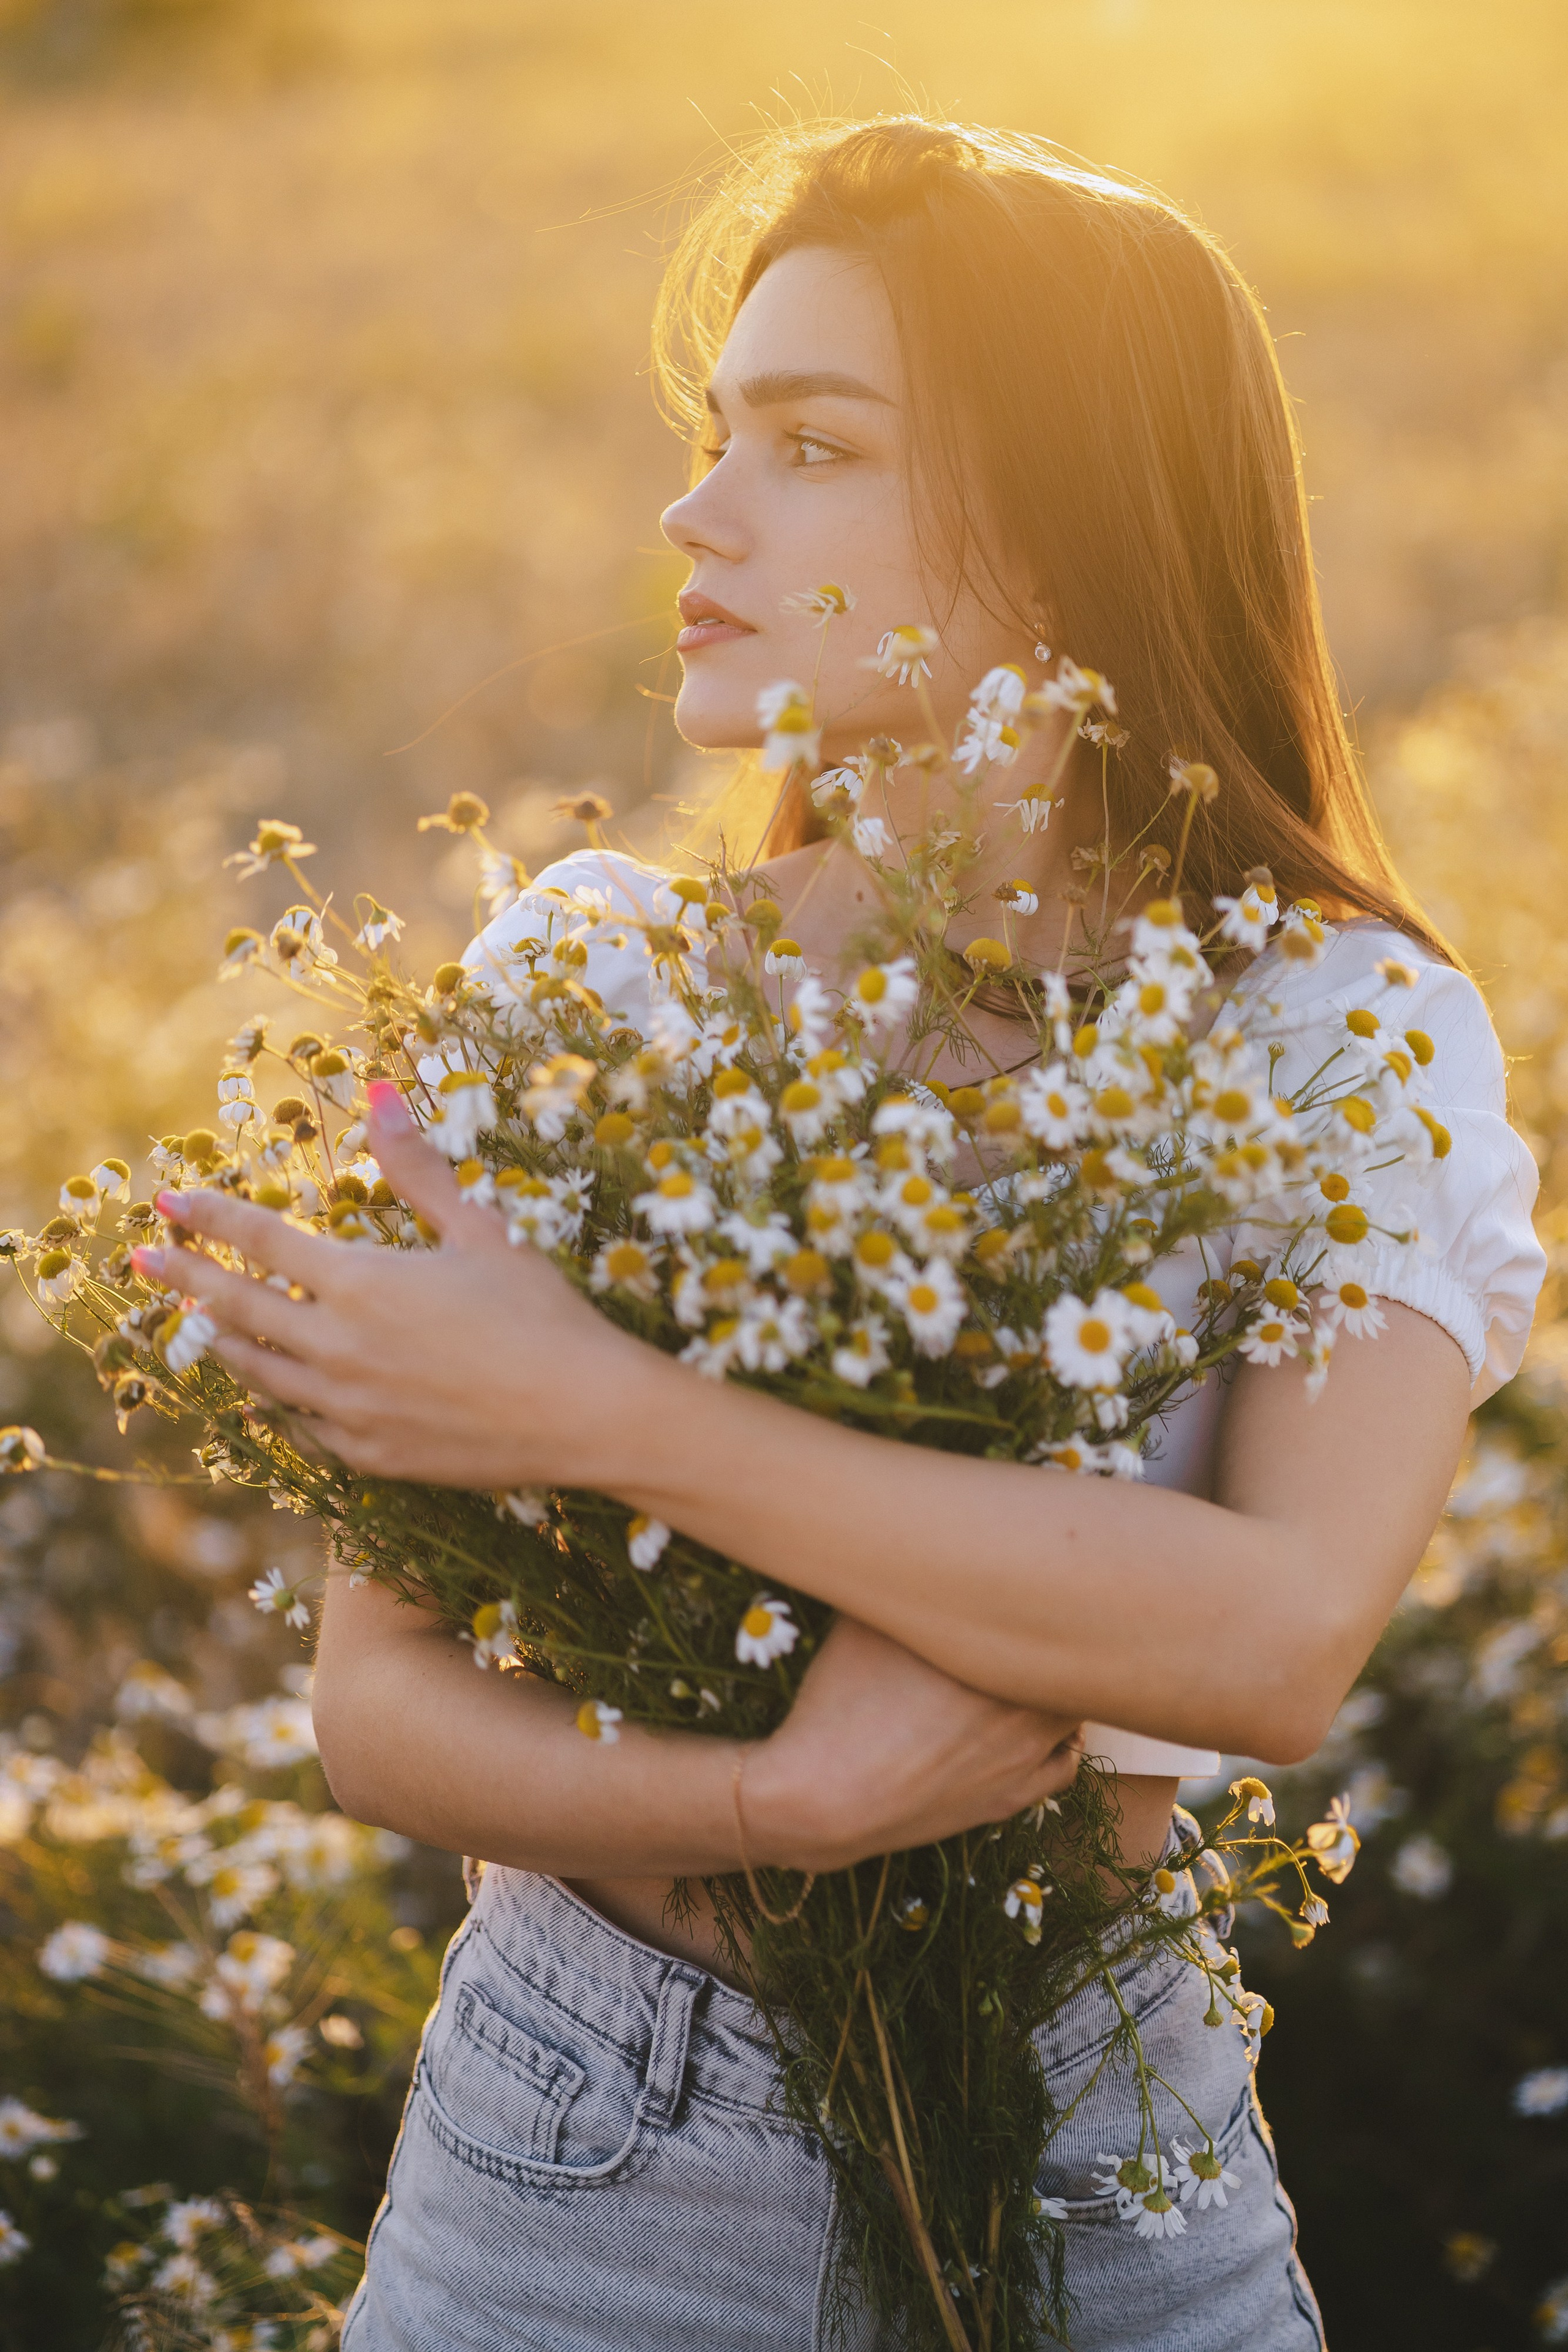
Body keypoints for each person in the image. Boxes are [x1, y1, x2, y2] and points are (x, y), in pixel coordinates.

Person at [140, 121, 1545, 2351]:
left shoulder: (1328, 1021)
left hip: (1107, 2140)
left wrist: (602, 1411)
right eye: (720, 437)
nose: (699, 514)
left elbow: (1266, 1639)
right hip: (578, 2153)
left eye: (813, 444)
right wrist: (774, 1803)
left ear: (1074, 525)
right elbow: (378, 1711)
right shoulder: (590, 981)